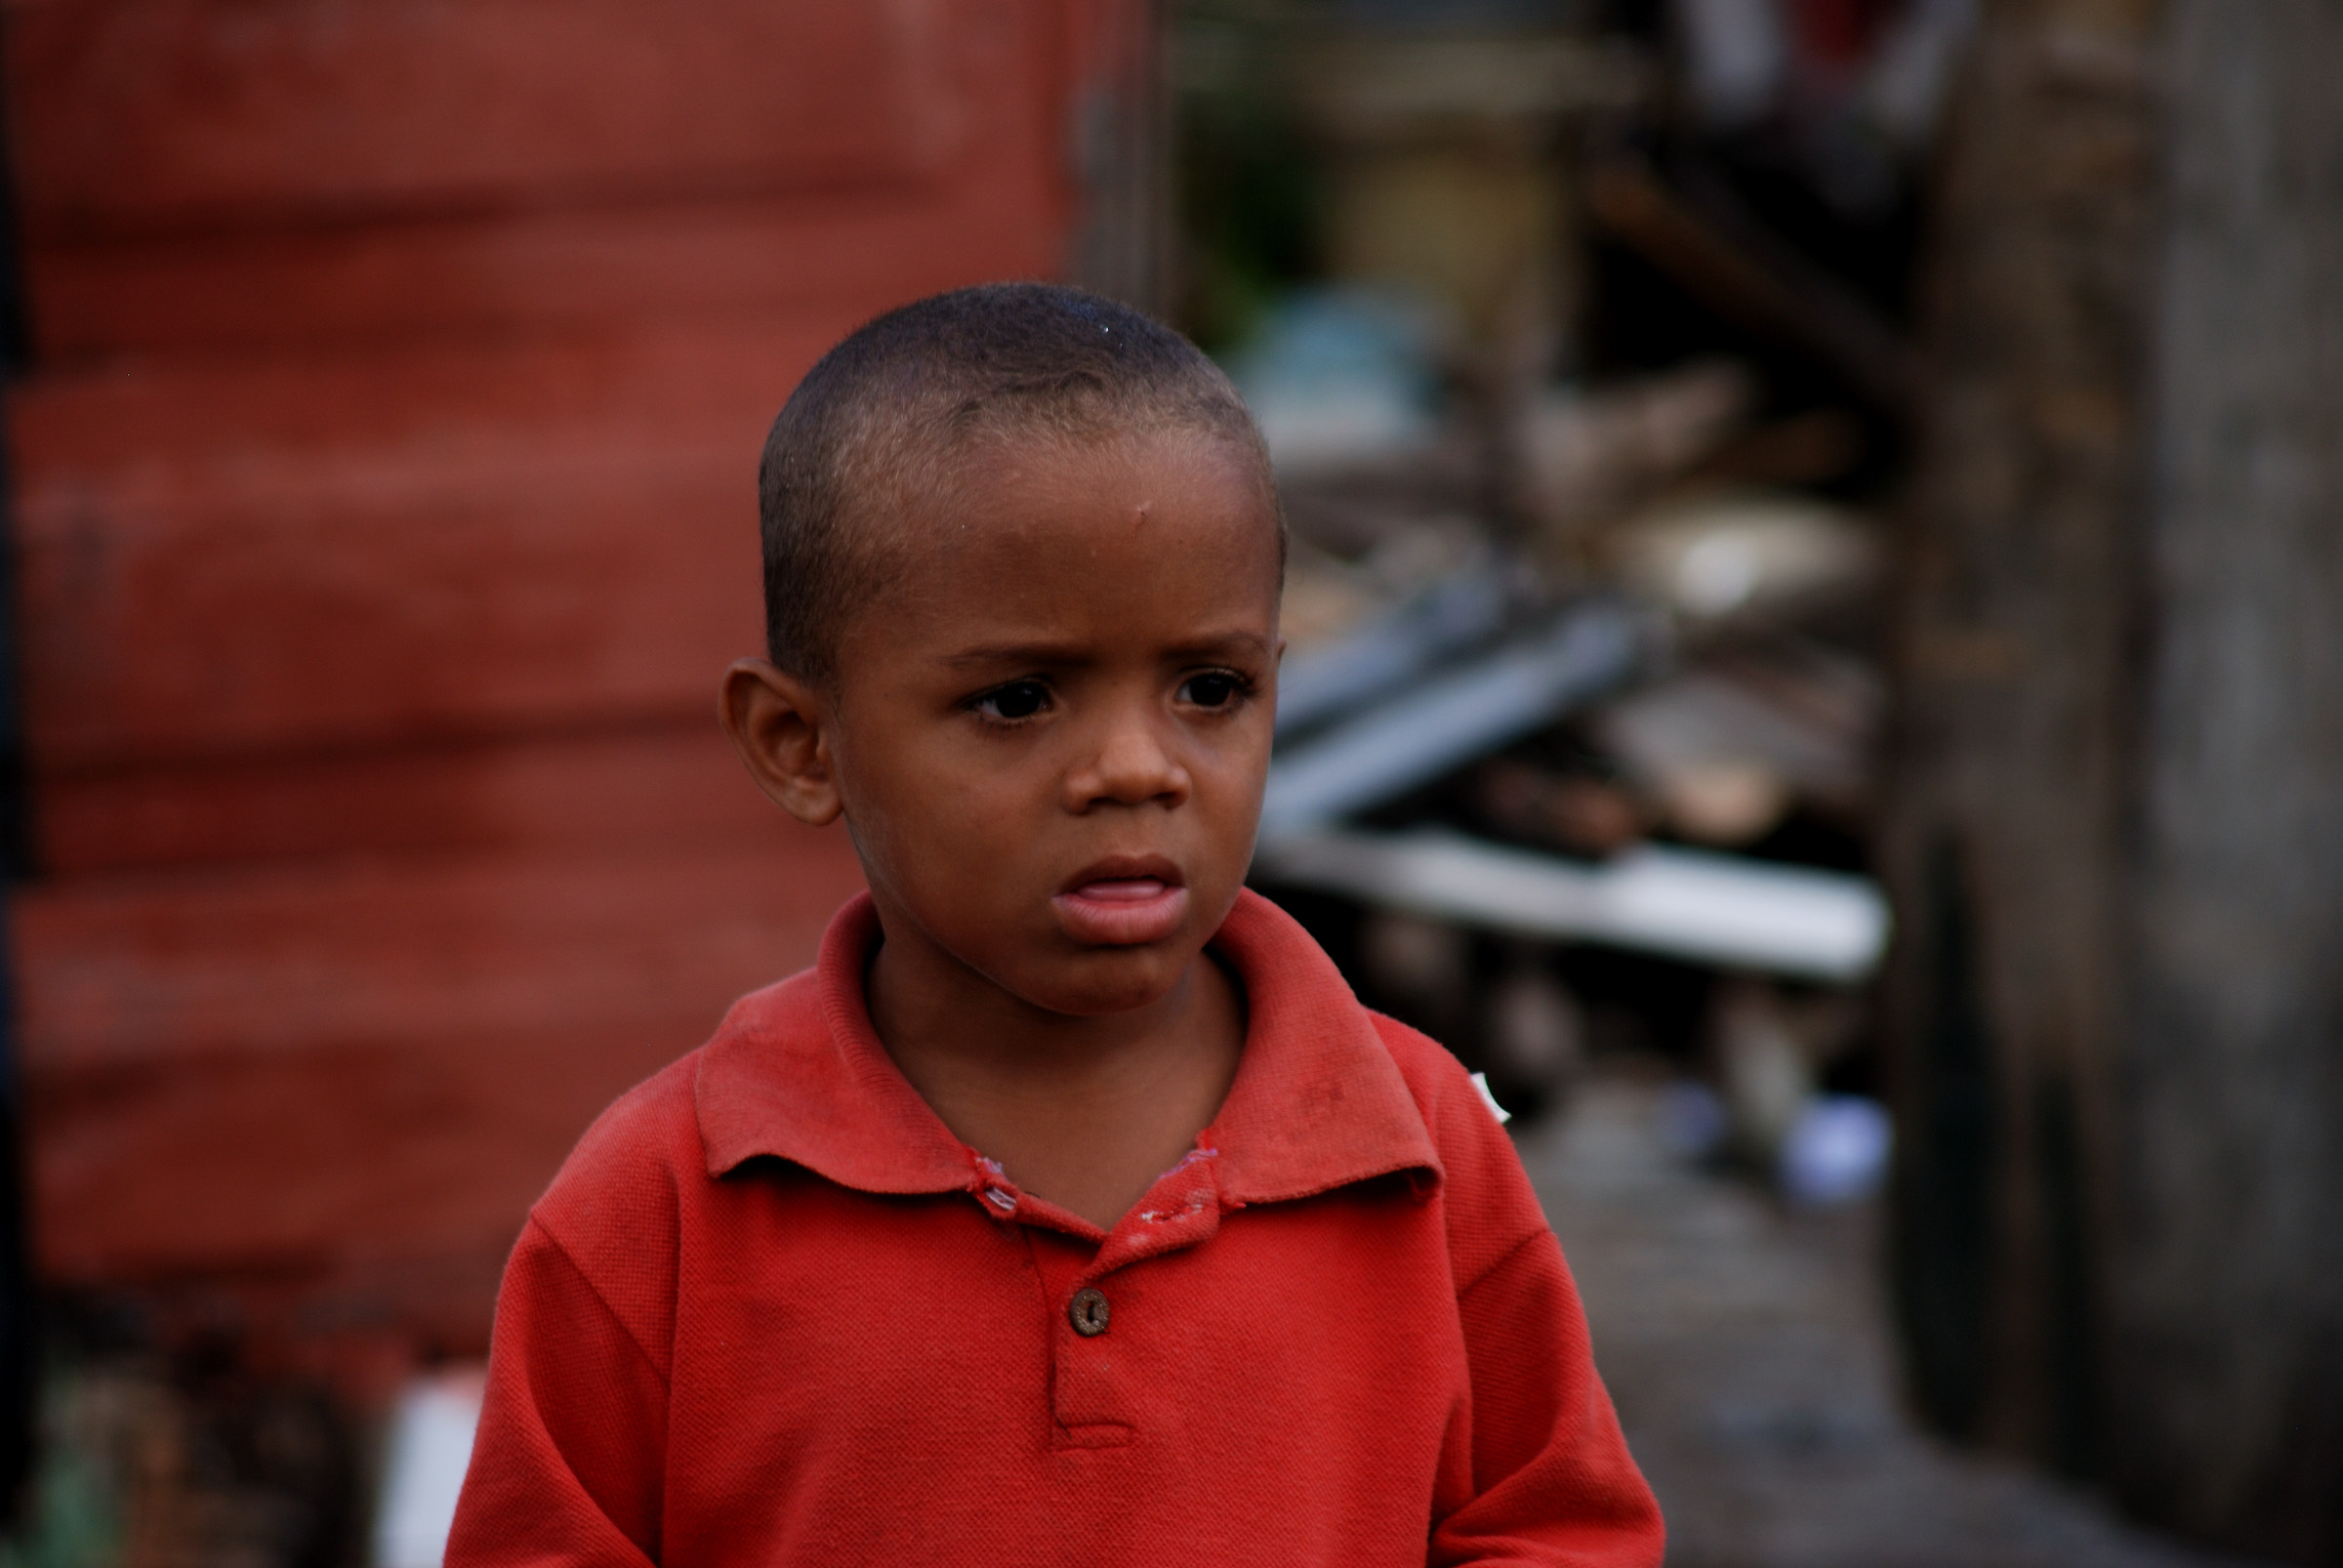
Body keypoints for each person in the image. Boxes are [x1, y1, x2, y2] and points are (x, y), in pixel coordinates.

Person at [445, 283, 1663, 1567]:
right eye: (1020, 699)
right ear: (802, 743)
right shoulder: (663, 1209)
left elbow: (1556, 1530)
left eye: (1210, 687)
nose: (1138, 768)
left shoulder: (1417, 1149)